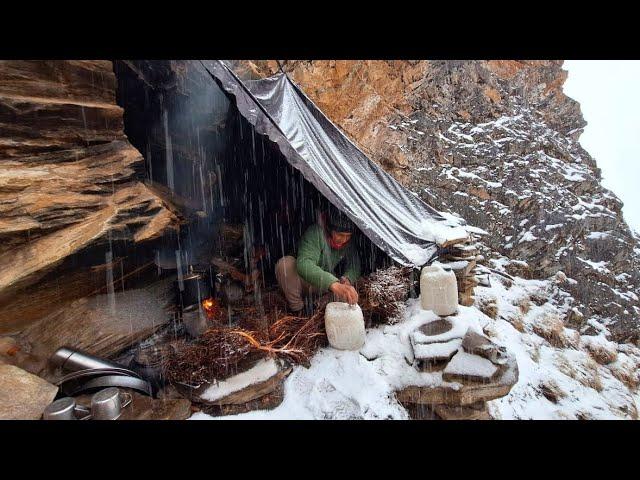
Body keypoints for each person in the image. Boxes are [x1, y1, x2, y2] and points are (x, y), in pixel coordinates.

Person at [275, 209, 361, 314]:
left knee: (347, 295)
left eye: (348, 236)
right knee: (285, 265)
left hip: (324, 287)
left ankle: (317, 306)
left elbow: (354, 265)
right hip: (304, 282)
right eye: (340, 235)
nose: (344, 240)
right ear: (329, 230)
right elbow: (304, 264)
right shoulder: (316, 233)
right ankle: (298, 310)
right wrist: (333, 284)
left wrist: (347, 279)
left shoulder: (348, 243)